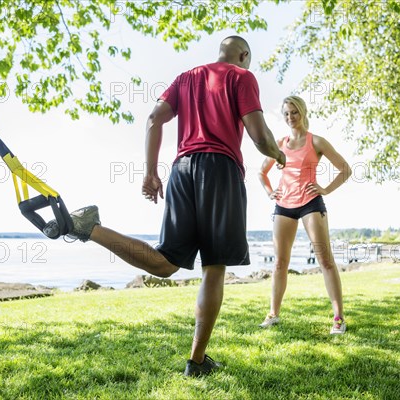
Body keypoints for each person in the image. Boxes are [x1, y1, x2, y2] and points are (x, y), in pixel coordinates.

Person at [44, 36, 285, 376]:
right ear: (244, 55)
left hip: (182, 170)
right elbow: (259, 136)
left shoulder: (185, 78)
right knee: (214, 267)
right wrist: (278, 154)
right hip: (220, 169)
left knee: (166, 263)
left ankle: (89, 228)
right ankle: (196, 362)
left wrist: (150, 171)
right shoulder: (241, 76)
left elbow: (154, 119)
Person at [257, 95, 351, 334]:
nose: (290, 117)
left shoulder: (316, 141)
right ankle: (273, 314)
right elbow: (261, 173)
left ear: (303, 112)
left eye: (294, 112)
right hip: (284, 206)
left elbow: (345, 169)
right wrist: (270, 192)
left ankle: (338, 318)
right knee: (280, 262)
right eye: (287, 113)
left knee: (325, 260)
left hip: (311, 203)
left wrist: (326, 189)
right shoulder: (279, 144)